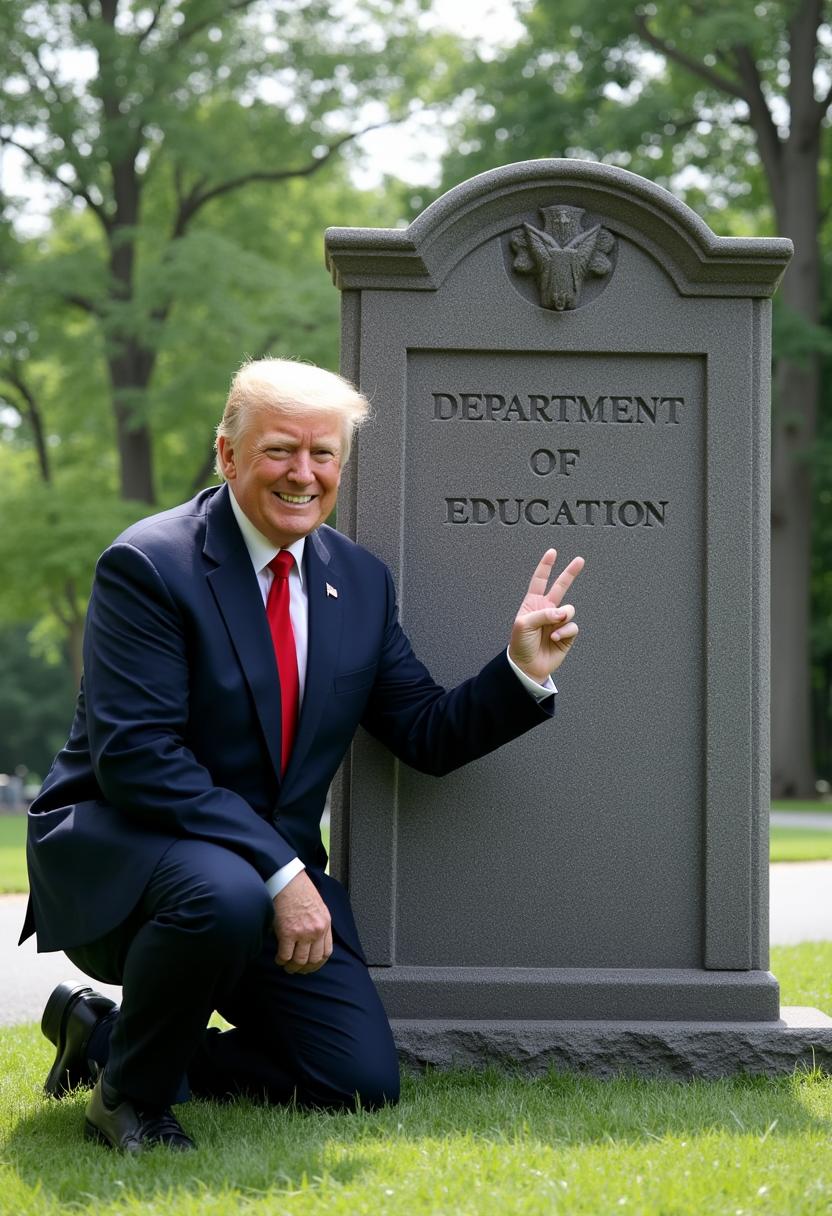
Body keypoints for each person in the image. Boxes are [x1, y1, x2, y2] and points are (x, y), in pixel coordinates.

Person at [21, 358, 583, 1153]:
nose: (304, 473)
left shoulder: (358, 582)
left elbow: (422, 730)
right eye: (280, 449)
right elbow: (138, 757)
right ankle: (131, 1102)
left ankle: (106, 1042)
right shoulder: (149, 566)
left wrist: (520, 670)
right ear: (227, 455)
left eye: (324, 455)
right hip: (130, 855)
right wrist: (282, 872)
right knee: (225, 892)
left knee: (355, 1084)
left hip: (259, 881)